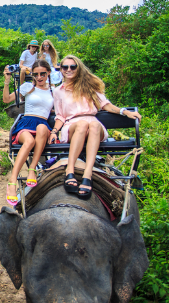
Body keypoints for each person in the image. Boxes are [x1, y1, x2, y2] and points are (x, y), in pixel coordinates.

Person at [49, 55, 142, 198]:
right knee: (82, 124)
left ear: (78, 68)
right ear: (61, 69)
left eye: (73, 67)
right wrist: (55, 131)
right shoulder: (58, 91)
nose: (69, 70)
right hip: (73, 125)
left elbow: (105, 104)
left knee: (92, 124)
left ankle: (88, 174)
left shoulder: (89, 86)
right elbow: (60, 115)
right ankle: (70, 170)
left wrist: (124, 112)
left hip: (92, 123)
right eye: (65, 67)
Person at [3, 59, 54, 205]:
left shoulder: (54, 90)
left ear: (48, 73)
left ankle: (33, 168)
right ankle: (12, 181)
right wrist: (7, 81)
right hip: (26, 123)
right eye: (36, 74)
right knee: (30, 141)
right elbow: (7, 100)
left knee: (42, 128)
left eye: (42, 74)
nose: (39, 77)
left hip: (43, 124)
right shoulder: (27, 87)